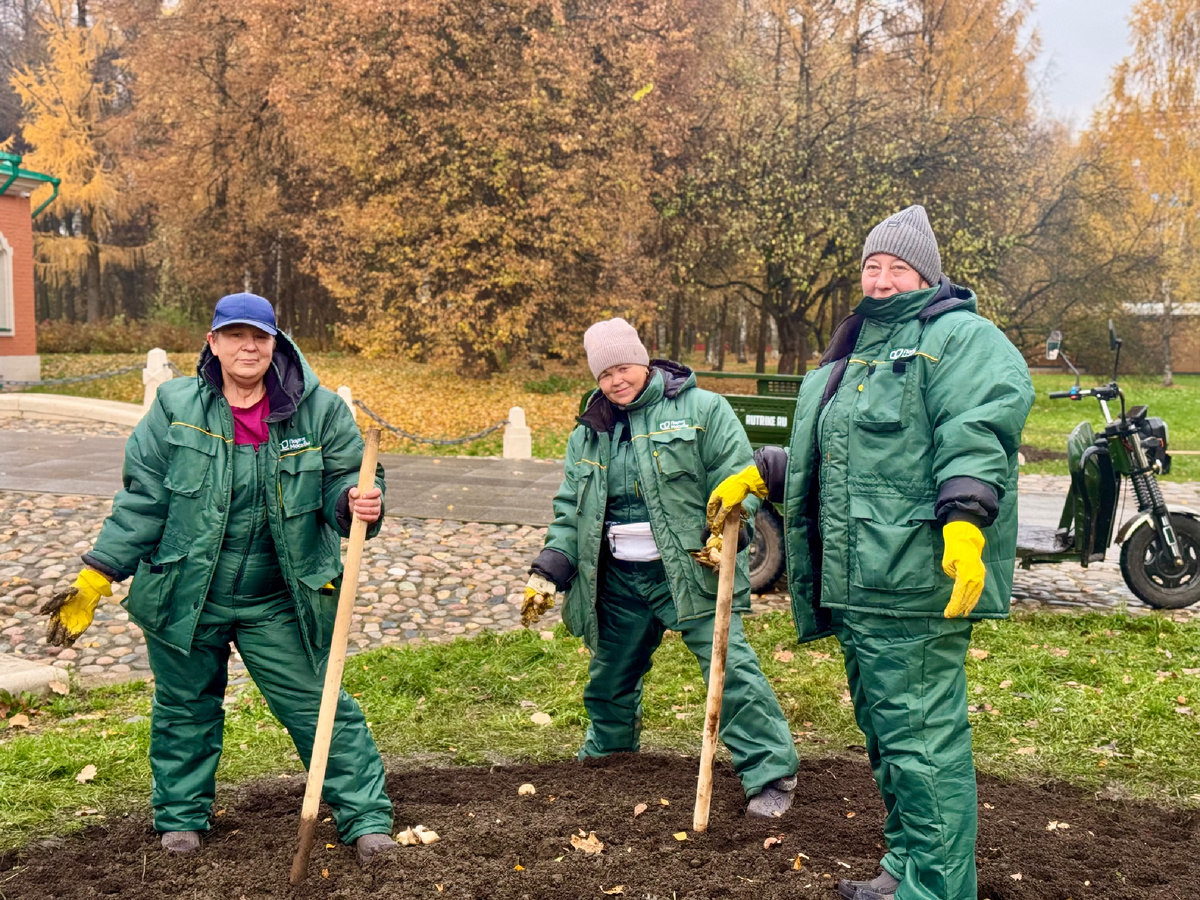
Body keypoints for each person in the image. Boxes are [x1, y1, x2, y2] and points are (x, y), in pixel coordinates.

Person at [707, 206, 1034, 900]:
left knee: (922, 745)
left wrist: (966, 522)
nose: (881, 279)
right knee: (891, 745)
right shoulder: (857, 347)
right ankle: (908, 868)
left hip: (915, 580)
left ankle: (937, 890)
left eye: (897, 266)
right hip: (860, 583)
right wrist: (766, 473)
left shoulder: (958, 339)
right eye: (871, 267)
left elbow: (976, 431)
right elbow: (846, 456)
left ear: (927, 273)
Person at [40, 293, 398, 865]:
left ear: (276, 342)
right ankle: (181, 819)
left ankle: (366, 817)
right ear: (213, 343)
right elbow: (144, 499)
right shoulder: (176, 405)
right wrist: (98, 574)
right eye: (234, 335)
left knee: (317, 704)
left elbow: (349, 479)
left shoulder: (321, 411)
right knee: (185, 707)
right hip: (185, 592)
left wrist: (355, 502)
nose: (247, 347)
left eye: (259, 336)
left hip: (280, 597)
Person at [521, 317, 800, 817]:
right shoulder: (590, 430)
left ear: (644, 361)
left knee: (728, 668)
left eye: (624, 367)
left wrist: (728, 529)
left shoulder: (701, 410)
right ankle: (610, 758)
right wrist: (548, 569)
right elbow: (571, 510)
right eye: (605, 374)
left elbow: (741, 478)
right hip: (618, 579)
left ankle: (772, 772)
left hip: (688, 572)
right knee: (609, 678)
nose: (616, 381)